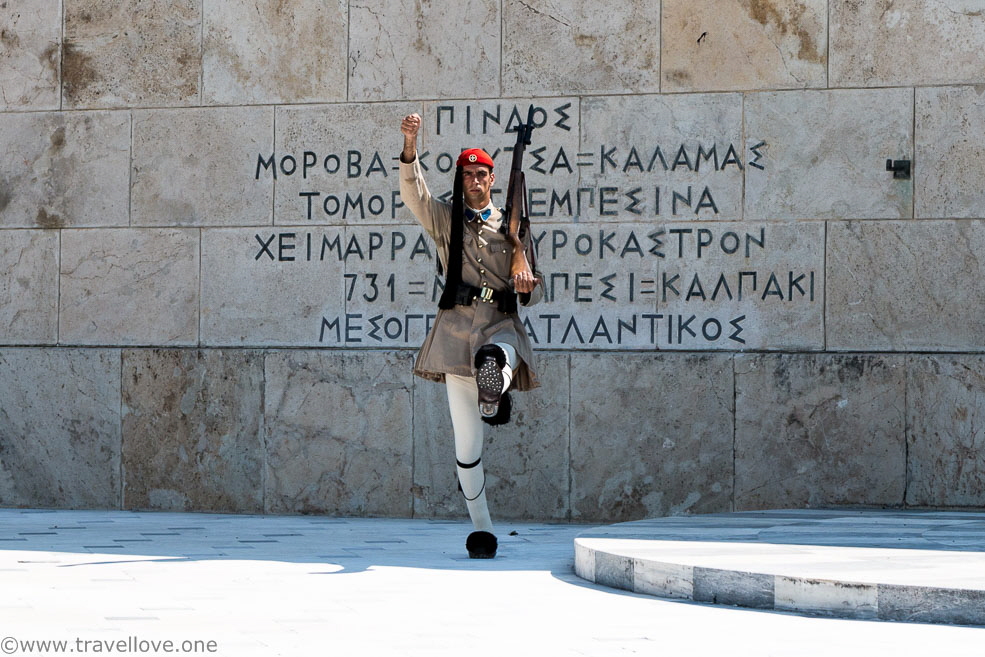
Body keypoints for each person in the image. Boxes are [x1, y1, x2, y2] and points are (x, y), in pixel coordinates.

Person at [399, 112, 544, 559]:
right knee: (467, 447)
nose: (475, 182)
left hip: (500, 326)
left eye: (481, 175)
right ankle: (482, 528)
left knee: (496, 357)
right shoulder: (448, 221)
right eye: (468, 175)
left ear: (493, 179)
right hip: (457, 332)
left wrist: (526, 280)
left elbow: (536, 293)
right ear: (462, 180)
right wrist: (410, 148)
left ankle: (494, 388)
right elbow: (415, 196)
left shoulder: (513, 228)